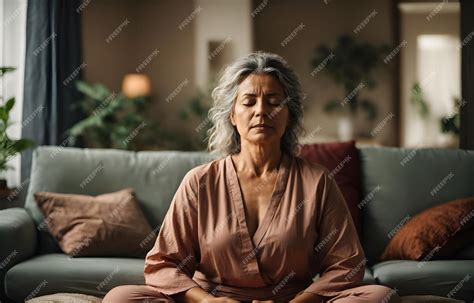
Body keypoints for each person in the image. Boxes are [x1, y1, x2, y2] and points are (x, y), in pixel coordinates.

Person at [103, 52, 400, 303]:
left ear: (288, 115)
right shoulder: (200, 182)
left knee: (380, 295)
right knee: (122, 297)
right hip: (215, 301)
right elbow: (163, 263)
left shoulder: (317, 181)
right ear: (232, 114)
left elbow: (346, 264)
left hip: (291, 302)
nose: (262, 111)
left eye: (273, 102)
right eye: (249, 102)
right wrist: (208, 301)